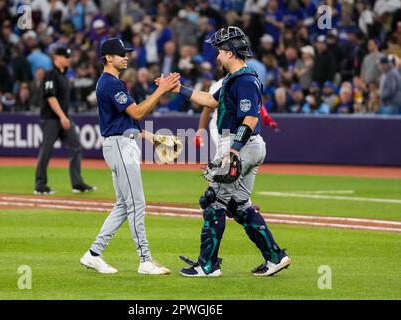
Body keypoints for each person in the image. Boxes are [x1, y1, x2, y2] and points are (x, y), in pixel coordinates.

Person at [176, 26, 291, 277]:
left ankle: (207, 265)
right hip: (248, 145)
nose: (217, 55)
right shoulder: (235, 78)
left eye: (219, 51)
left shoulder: (245, 79)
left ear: (230, 52)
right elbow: (209, 100)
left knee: (213, 203)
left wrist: (234, 151)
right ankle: (275, 257)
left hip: (241, 144)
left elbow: (249, 119)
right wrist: (178, 89)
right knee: (239, 205)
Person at [80, 38, 179, 275]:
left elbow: (128, 121)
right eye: (121, 53)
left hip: (122, 142)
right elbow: (137, 111)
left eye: (126, 53)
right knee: (136, 203)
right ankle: (145, 260)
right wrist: (161, 90)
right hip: (119, 146)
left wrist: (152, 137)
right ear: (108, 58)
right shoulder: (109, 83)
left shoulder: (114, 82)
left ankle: (93, 254)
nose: (126, 56)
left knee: (124, 205)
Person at [34, 46, 95, 195]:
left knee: (76, 146)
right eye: (66, 57)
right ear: (57, 58)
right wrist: (62, 116)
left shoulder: (64, 75)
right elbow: (50, 97)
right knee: (47, 149)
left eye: (69, 57)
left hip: (63, 117)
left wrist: (64, 116)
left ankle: (77, 183)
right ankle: (40, 184)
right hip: (51, 118)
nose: (69, 59)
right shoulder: (50, 74)